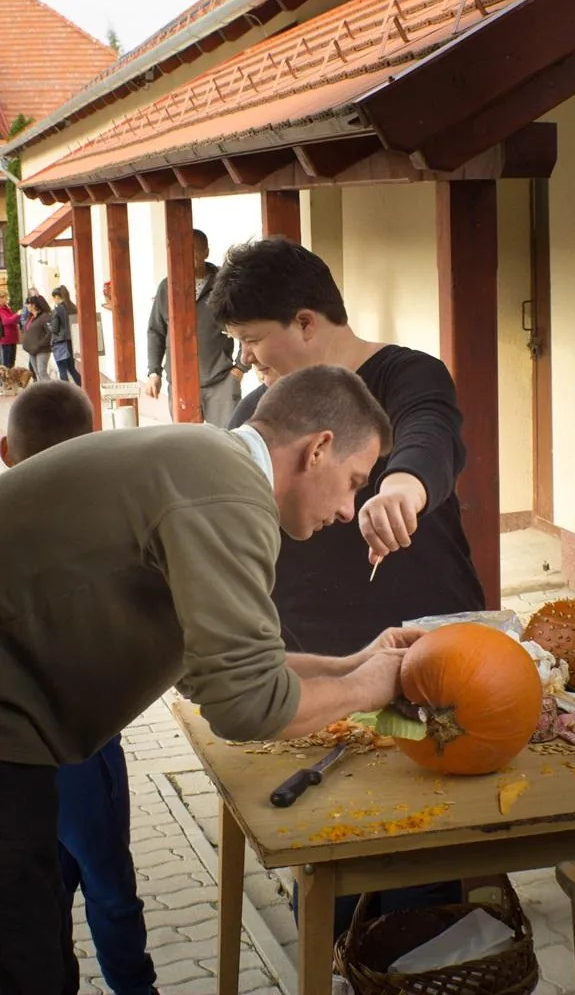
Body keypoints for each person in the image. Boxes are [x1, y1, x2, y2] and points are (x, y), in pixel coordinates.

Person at [0, 364, 421, 995]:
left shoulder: (208, 463)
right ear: (319, 447)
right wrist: (376, 687)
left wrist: (356, 664)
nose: (347, 508)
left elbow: (218, 669)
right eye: (355, 483)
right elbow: (245, 705)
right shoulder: (228, 492)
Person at [216, 237, 485, 934]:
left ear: (306, 323)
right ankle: (340, 955)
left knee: (424, 835)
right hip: (321, 648)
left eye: (253, 342)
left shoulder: (405, 373)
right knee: (334, 837)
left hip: (422, 645)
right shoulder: (260, 411)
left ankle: (425, 954)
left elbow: (429, 434)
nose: (248, 361)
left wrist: (399, 485)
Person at [1, 381, 159, 995]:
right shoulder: (104, 525)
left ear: (6, 452)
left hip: (16, 755)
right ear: (91, 446)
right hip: (80, 750)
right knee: (110, 886)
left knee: (44, 886)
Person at [144, 228, 247, 425]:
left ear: (206, 252)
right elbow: (156, 331)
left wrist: (240, 369)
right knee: (188, 445)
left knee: (226, 442)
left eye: (194, 250)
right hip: (180, 383)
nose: (187, 256)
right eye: (182, 251)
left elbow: (245, 323)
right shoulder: (167, 287)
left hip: (221, 381)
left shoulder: (224, 284)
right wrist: (154, 372)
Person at [49, 285, 82, 385]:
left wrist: (48, 326)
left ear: (57, 297)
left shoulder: (57, 310)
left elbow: (55, 329)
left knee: (62, 369)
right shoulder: (72, 307)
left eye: (53, 298)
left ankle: (66, 392)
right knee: (71, 368)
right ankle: (83, 386)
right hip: (71, 341)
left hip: (60, 342)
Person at [21, 294, 53, 381]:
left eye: (28, 304)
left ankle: (54, 391)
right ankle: (42, 393)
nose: (27, 306)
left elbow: (50, 332)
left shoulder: (45, 317)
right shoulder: (30, 317)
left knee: (42, 372)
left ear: (34, 305)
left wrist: (39, 344)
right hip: (31, 350)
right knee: (37, 373)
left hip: (42, 350)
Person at [0, 289, 21, 369]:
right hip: (6, 340)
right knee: (6, 363)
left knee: (12, 362)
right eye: (5, 297)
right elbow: (6, 321)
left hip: (12, 338)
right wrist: (17, 314)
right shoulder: (1, 309)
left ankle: (10, 380)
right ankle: (6, 380)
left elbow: (12, 320)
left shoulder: (6, 308)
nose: (7, 299)